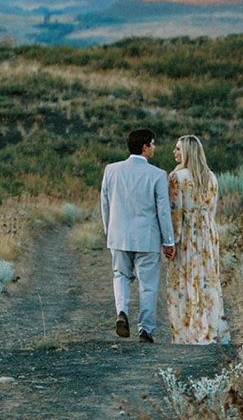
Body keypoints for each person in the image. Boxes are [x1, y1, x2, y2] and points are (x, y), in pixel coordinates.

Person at [100, 128, 175, 343]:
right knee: (148, 285)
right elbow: (163, 211)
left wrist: (109, 231)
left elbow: (104, 203)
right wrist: (168, 241)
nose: (155, 147)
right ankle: (145, 330)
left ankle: (121, 311)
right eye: (153, 143)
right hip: (147, 238)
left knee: (120, 276)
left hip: (118, 235)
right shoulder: (158, 175)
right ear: (144, 147)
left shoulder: (111, 170)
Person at [167, 135, 228, 344]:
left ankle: (188, 332)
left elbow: (175, 212)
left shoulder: (177, 177)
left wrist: (171, 242)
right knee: (206, 281)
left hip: (186, 235)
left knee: (184, 283)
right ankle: (209, 328)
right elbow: (212, 209)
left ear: (186, 152)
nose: (174, 152)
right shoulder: (211, 177)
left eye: (177, 149)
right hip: (207, 233)